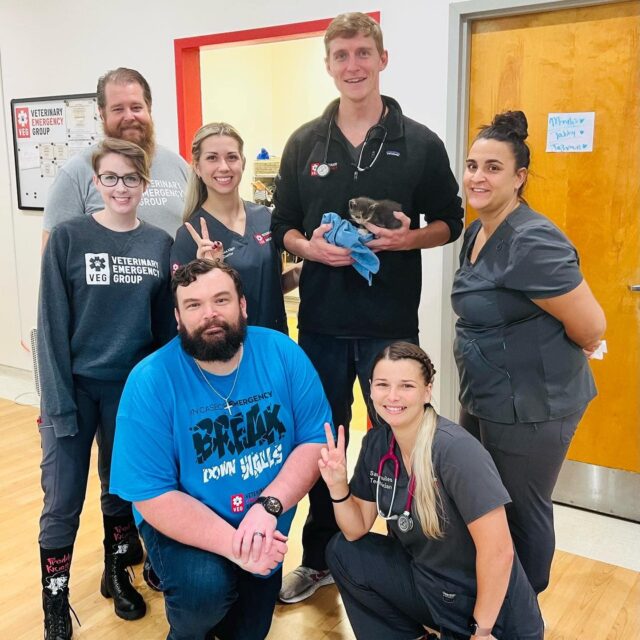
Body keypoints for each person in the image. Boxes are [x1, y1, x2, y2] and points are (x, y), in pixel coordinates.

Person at [270, 11, 464, 602]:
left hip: (390, 330)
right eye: (341, 56)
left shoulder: (420, 143)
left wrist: (407, 239)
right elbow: (282, 225)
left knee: (401, 442)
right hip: (323, 326)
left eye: (362, 53)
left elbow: (450, 221)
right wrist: (311, 249)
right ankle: (322, 557)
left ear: (382, 59)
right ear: (328, 66)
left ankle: (410, 563)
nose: (352, 66)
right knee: (324, 443)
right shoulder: (305, 142)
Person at [110, 259, 332, 640]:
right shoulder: (150, 380)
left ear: (242, 306)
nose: (209, 314)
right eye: (194, 305)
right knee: (206, 591)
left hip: (264, 521)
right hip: (185, 522)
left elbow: (315, 439)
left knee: (249, 631)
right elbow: (151, 495)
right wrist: (235, 545)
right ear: (178, 318)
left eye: (221, 300)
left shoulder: (282, 352)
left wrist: (269, 507)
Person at [452, 110, 606, 594]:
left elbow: (592, 325)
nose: (478, 176)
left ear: (519, 178)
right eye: (473, 165)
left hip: (534, 404)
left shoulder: (531, 240)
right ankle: (493, 599)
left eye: (493, 167)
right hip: (488, 394)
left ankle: (524, 608)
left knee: (522, 507)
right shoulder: (478, 231)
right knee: (486, 503)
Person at [37, 137, 174, 638]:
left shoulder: (159, 244)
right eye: (111, 178)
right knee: (62, 502)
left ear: (144, 184)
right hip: (73, 389)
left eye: (131, 178)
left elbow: (163, 336)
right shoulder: (69, 238)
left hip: (130, 393)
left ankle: (117, 572)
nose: (121, 187)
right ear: (96, 183)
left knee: (120, 492)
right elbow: (50, 326)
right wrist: (57, 405)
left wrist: (161, 403)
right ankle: (56, 602)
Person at [320, 342, 543, 639]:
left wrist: (482, 629)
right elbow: (355, 529)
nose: (393, 396)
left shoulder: (455, 450)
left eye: (407, 386)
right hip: (431, 588)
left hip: (490, 612)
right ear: (370, 389)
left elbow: (499, 551)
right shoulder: (378, 445)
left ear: (427, 391)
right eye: (383, 385)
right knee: (343, 551)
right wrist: (337, 487)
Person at [170, 122, 299, 333]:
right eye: (212, 158)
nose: (224, 167)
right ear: (197, 167)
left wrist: (311, 263)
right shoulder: (190, 236)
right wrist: (208, 273)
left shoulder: (265, 217)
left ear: (243, 163)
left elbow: (273, 287)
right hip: (228, 352)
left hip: (274, 344)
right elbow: (186, 313)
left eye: (231, 157)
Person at [43, 67, 189, 247]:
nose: (129, 117)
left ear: (149, 108)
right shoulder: (76, 172)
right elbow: (52, 255)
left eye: (136, 107)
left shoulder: (178, 165)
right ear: (102, 114)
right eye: (118, 109)